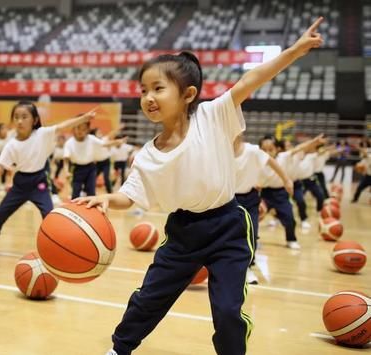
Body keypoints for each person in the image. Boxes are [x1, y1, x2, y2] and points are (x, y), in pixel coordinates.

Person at [76, 17, 325, 355]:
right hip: (183, 232)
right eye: (143, 90)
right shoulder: (147, 154)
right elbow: (130, 194)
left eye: (157, 88)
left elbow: (251, 79)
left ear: (188, 94)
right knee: (149, 298)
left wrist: (293, 52)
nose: (148, 97)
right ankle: (120, 348)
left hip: (228, 226)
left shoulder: (212, 116)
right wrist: (106, 198)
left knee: (226, 311)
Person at [0, 102, 97, 254]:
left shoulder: (42, 134)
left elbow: (62, 126)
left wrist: (84, 118)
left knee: (49, 216)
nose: (20, 121)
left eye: (24, 117)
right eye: (16, 117)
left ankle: (53, 248)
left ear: (34, 120)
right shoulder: (11, 145)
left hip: (39, 183)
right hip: (20, 184)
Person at [234, 133, 293, 284]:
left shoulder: (252, 151)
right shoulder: (218, 150)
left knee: (251, 234)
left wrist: (286, 180)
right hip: (227, 198)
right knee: (225, 236)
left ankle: (247, 268)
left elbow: (271, 162)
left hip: (249, 198)